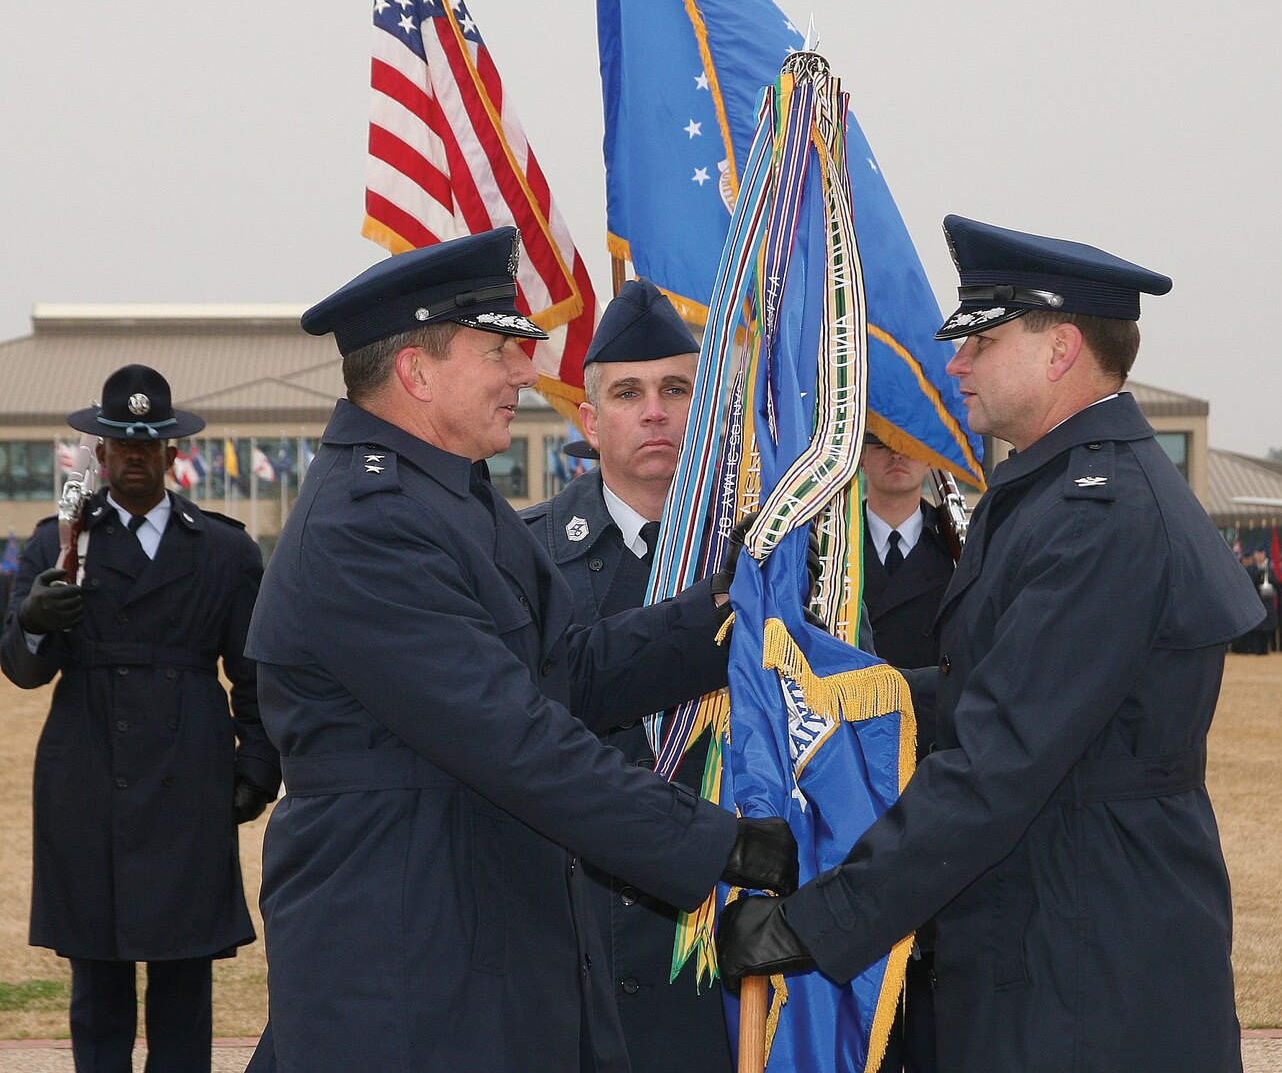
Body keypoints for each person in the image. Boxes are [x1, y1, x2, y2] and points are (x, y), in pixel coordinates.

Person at [243, 229, 796, 1073]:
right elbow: (515, 740)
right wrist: (719, 843)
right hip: (406, 968)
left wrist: (727, 613)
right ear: (417, 373)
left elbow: (563, 672)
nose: (524, 372)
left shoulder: (451, 498)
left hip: (475, 944)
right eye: (499, 350)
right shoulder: (365, 528)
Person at [718, 216, 1263, 1072]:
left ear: (1060, 350)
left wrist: (812, 923)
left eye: (983, 338)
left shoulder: (1101, 519)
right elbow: (985, 690)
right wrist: (840, 698)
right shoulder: (1062, 491)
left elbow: (996, 766)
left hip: (1089, 968)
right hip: (1058, 937)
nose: (957, 362)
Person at [1, 364, 276, 1073]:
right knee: (97, 989)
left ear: (172, 454)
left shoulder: (223, 549)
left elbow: (253, 675)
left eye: (147, 445)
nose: (132, 456)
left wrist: (254, 770)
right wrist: (31, 620)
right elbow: (25, 672)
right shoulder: (58, 545)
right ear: (99, 452)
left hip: (187, 778)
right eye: (119, 443)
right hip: (87, 774)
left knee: (185, 984)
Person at [520, 277, 731, 1073]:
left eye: (678, 389)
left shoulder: (773, 565)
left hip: (721, 968)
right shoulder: (522, 558)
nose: (655, 412)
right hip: (572, 968)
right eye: (630, 393)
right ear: (589, 419)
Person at [857, 432, 956, 1073]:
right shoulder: (819, 553)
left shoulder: (964, 555)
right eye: (876, 441)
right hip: (851, 785)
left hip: (937, 784)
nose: (896, 455)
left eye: (910, 440)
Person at [1243, 547, 1277, 654]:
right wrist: (1260, 571)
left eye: (1262, 554)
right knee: (1257, 628)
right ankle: (1256, 649)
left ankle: (1265, 649)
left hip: (1267, 601)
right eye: (1258, 554)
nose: (1260, 556)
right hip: (1256, 601)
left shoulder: (1269, 568)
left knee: (1267, 627)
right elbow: (1251, 581)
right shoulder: (1252, 568)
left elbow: (1275, 582)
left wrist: (1267, 572)